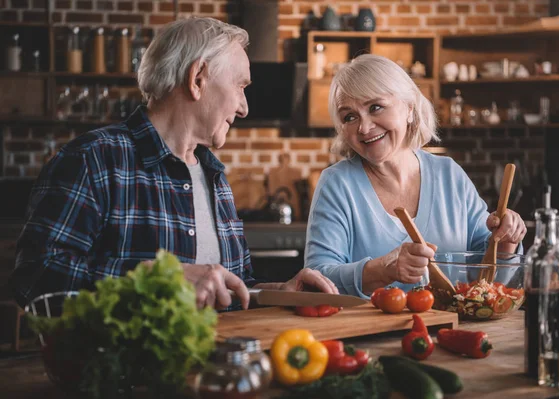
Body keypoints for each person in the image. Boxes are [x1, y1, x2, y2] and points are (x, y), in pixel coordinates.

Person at [10, 17, 337, 311]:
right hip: (129, 376)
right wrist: (154, 279)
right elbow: (33, 277)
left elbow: (231, 289)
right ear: (197, 79)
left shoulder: (214, 176)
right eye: (240, 86)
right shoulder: (93, 159)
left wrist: (279, 291)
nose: (244, 107)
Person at [304, 54, 526, 298]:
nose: (364, 128)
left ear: (409, 108)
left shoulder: (448, 175)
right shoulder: (337, 185)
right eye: (349, 117)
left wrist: (506, 241)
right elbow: (317, 279)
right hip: (369, 335)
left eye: (375, 107)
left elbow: (486, 280)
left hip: (453, 332)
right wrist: (382, 270)